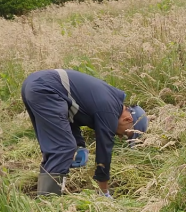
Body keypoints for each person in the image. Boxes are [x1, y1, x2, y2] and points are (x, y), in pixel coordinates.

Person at [21, 68, 148, 196]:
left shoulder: (109, 101)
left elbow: (70, 113)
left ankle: (45, 195)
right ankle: (47, 202)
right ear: (127, 119)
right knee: (63, 148)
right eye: (126, 134)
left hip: (35, 84)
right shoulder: (110, 110)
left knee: (57, 148)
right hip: (45, 89)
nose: (120, 137)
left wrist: (79, 144)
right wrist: (104, 192)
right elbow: (104, 152)